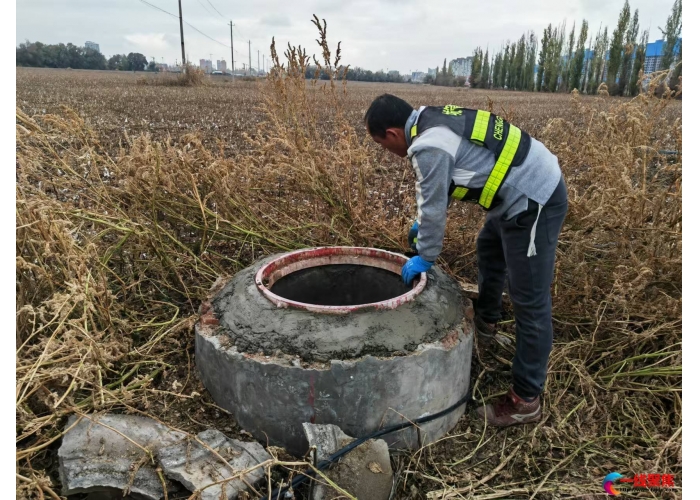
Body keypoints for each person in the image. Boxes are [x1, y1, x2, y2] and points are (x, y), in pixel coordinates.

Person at [364, 94, 568, 427]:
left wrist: (425, 255)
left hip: (534, 197)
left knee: (530, 300)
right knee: (489, 246)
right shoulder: (431, 118)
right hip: (514, 191)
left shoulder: (426, 145)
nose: (388, 152)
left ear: (391, 134)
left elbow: (432, 204)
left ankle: (525, 401)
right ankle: (486, 324)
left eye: (382, 145)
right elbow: (452, 174)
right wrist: (425, 221)